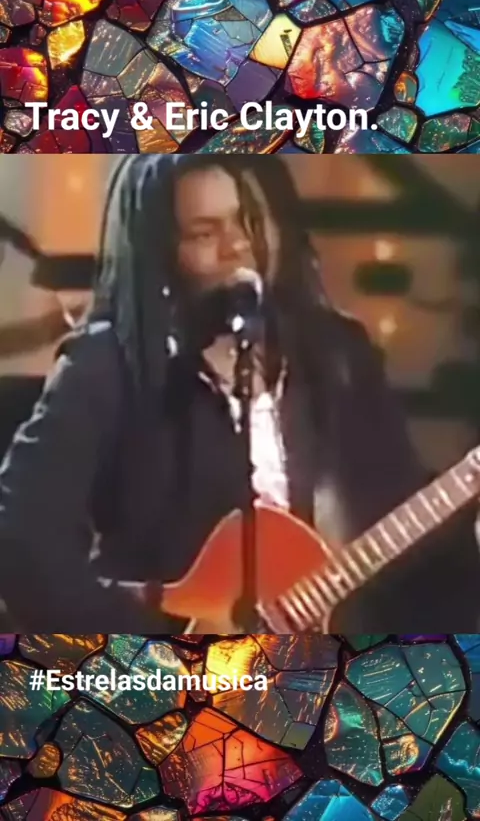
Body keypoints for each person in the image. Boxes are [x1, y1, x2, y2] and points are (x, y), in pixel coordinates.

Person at [0, 154, 477, 633]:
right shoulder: (107, 365)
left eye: (249, 221)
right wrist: (154, 638)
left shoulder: (339, 355)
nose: (237, 246)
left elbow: (403, 537)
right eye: (205, 233)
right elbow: (20, 536)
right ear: (157, 254)